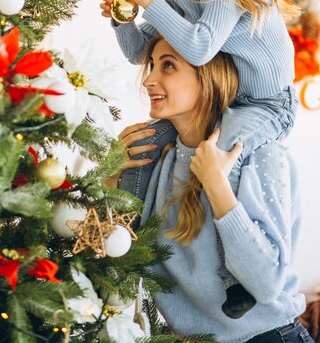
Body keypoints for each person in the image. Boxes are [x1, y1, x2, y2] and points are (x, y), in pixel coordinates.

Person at [100, 0, 298, 318]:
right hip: (233, 100)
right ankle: (124, 240)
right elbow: (140, 52)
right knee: (149, 140)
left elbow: (201, 48)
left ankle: (236, 282)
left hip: (267, 104)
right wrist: (124, 19)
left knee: (221, 154)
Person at [107, 37, 310, 343]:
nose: (149, 79)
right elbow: (121, 255)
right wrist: (111, 176)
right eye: (151, 65)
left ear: (209, 74)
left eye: (168, 66)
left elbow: (267, 284)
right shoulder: (159, 160)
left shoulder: (261, 155)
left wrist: (216, 187)